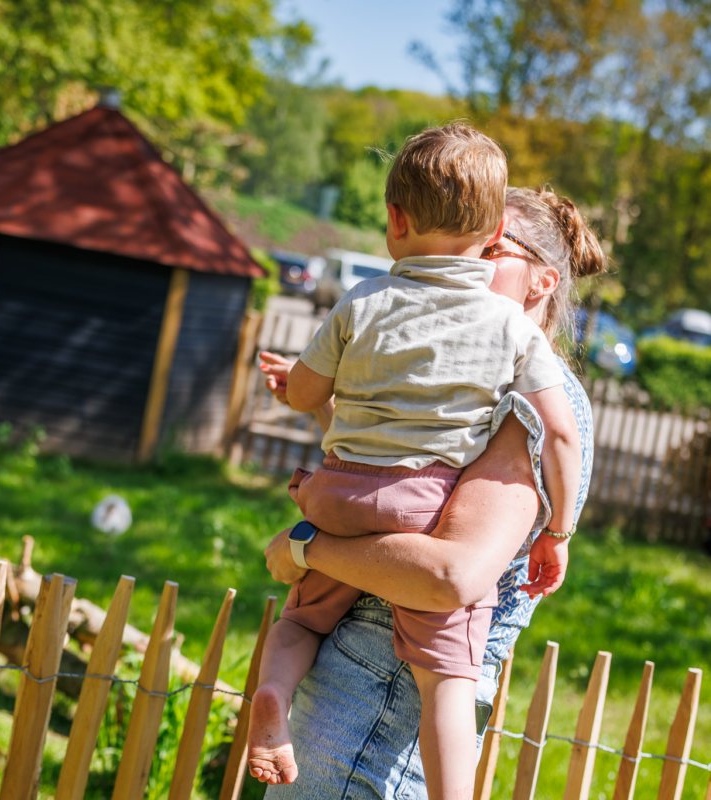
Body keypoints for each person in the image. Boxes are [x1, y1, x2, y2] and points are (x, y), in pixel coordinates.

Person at [246, 125, 581, 800]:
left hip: (334, 496)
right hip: (417, 509)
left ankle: (270, 695)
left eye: (501, 249)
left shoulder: (362, 301)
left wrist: (295, 398)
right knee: (449, 685)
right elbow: (562, 439)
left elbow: (323, 400)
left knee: (298, 621)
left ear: (395, 222)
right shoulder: (510, 335)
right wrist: (560, 530)